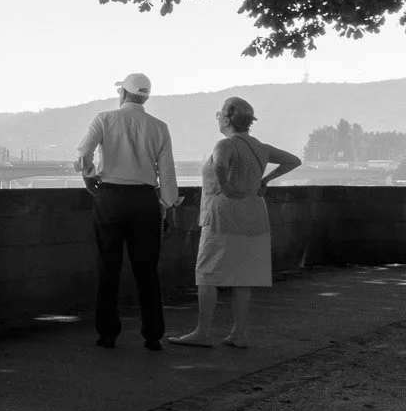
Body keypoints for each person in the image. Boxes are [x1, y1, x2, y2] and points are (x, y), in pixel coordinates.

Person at [169, 97, 299, 349]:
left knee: (207, 274)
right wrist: (266, 180)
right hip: (254, 216)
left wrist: (225, 186)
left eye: (219, 114)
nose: (218, 118)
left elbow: (220, 163)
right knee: (244, 277)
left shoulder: (225, 144)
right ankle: (239, 333)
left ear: (228, 118)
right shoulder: (260, 147)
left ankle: (203, 332)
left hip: (222, 216)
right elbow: (294, 160)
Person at [76, 72, 179, 349]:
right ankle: (153, 334)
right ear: (145, 96)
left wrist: (89, 173)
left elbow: (83, 151)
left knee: (108, 267)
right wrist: (168, 204)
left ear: (123, 93)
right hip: (145, 200)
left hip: (110, 197)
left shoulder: (104, 119)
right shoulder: (160, 127)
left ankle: (107, 332)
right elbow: (166, 173)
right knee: (147, 270)